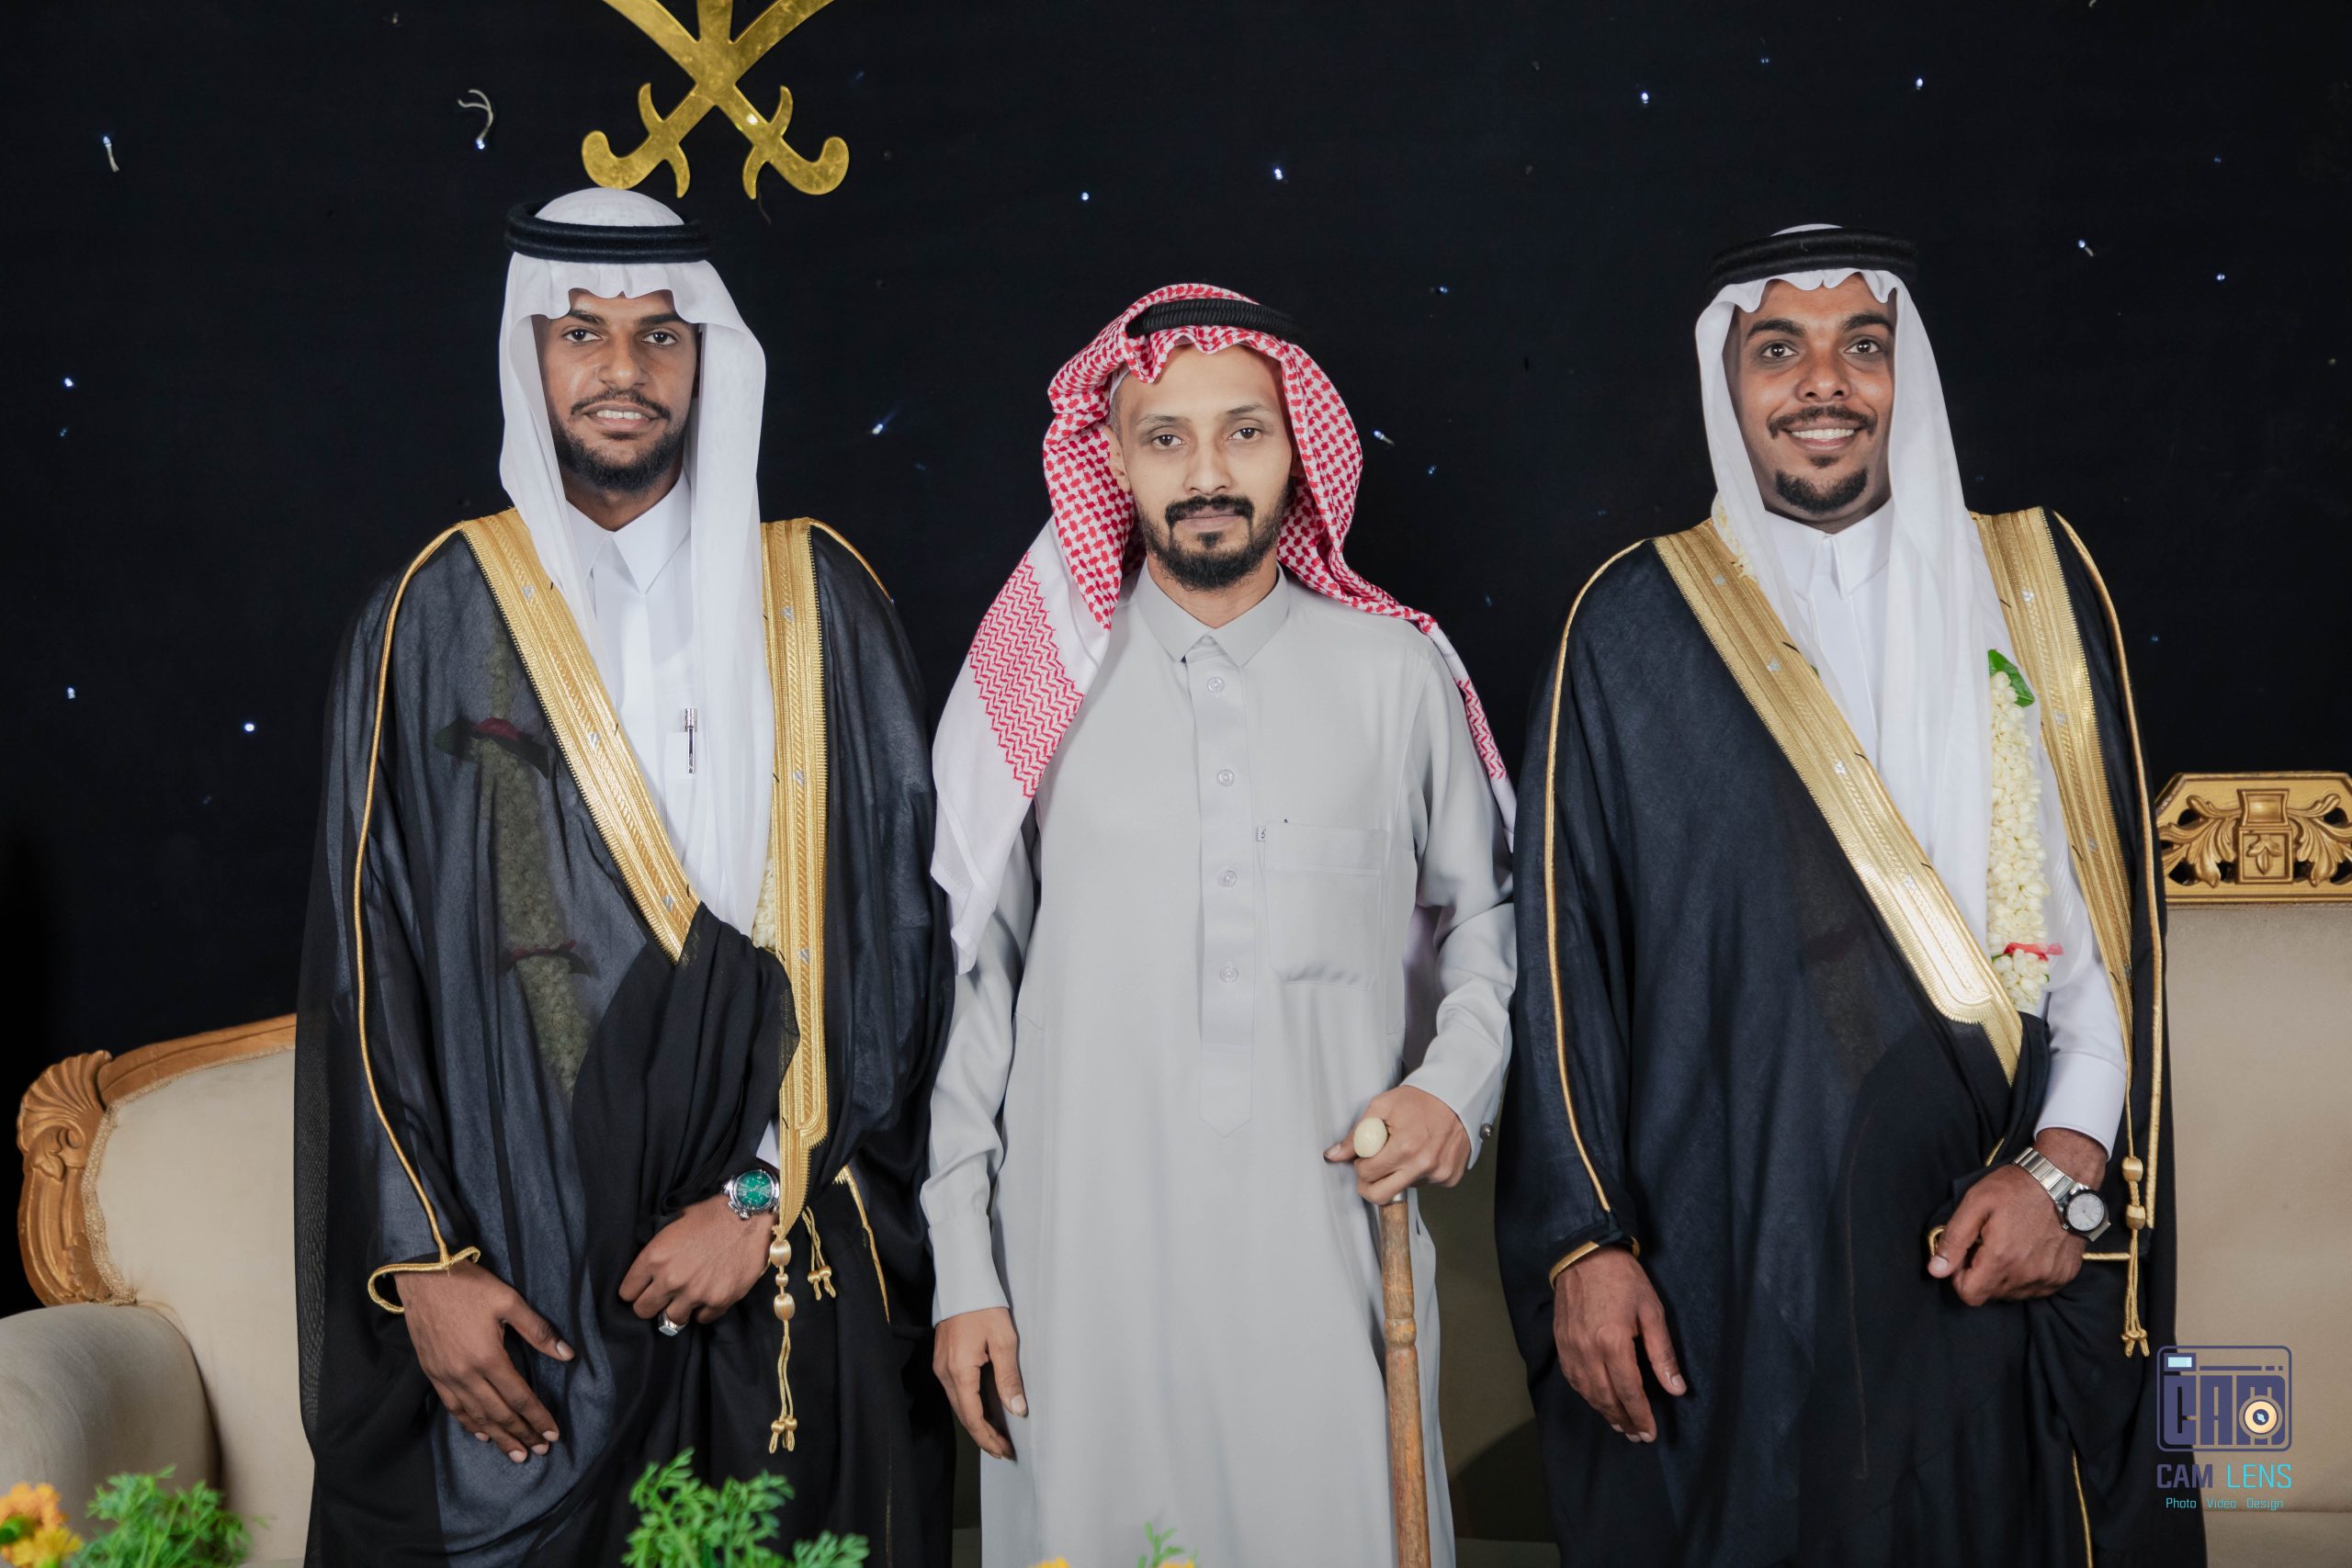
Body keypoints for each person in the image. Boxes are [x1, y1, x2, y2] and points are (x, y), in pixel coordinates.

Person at [1496, 225, 2200, 1566]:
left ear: (1901, 373)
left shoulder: (2033, 587)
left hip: (1994, 1240)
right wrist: (1584, 1244)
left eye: (1859, 345)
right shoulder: (1632, 628)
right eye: (1780, 348)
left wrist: (2066, 1173)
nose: (1823, 380)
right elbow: (1562, 961)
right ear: (1730, 380)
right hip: (1736, 1261)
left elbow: (2104, 937)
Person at [294, 189, 952, 1566]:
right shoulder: (435, 611)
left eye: (662, 334)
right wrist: (425, 1264)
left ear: (708, 357)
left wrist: (760, 1198)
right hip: (522, 1271)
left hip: (771, 1269)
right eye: (582, 332)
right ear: (529, 355)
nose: (623, 369)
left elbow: (898, 944)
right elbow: (366, 962)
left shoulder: (817, 598)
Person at [922, 286, 1516, 1567]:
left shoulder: (1398, 675)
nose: (1206, 473)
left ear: (1297, 449)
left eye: (1244, 431)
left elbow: (1488, 918)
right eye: (1164, 438)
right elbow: (972, 989)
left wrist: (1453, 1089)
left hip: (1332, 1261)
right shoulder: (1039, 687)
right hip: (1081, 1274)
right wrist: (964, 1265)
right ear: (1114, 461)